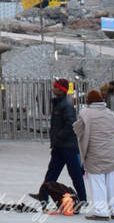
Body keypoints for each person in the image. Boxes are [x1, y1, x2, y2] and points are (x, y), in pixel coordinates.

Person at [30, 78, 88, 208]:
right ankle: (43, 195)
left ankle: (83, 199)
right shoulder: (58, 104)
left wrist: (59, 136)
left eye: (55, 87)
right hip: (59, 146)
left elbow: (70, 125)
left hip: (68, 147)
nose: (53, 89)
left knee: (75, 174)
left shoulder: (66, 106)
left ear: (61, 90)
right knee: (52, 172)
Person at [74, 89, 114, 221]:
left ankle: (101, 212)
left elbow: (78, 129)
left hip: (94, 154)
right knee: (113, 183)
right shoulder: (110, 113)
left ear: (88, 101)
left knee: (97, 183)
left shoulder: (85, 113)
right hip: (110, 153)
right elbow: (113, 129)